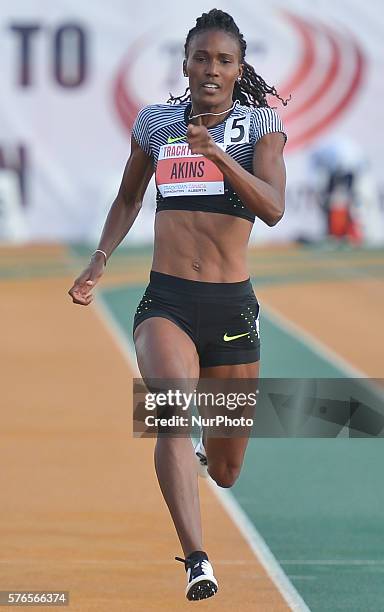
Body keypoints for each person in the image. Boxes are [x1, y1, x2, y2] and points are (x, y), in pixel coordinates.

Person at [68, 8, 287, 602]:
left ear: (239, 69)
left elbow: (272, 208)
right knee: (170, 408)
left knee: (225, 470)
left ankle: (205, 457)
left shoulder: (261, 124)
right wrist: (99, 257)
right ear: (185, 63)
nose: (211, 69)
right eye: (201, 57)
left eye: (224, 60)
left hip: (232, 312)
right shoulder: (156, 122)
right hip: (166, 301)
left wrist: (217, 156)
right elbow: (128, 197)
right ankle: (196, 557)